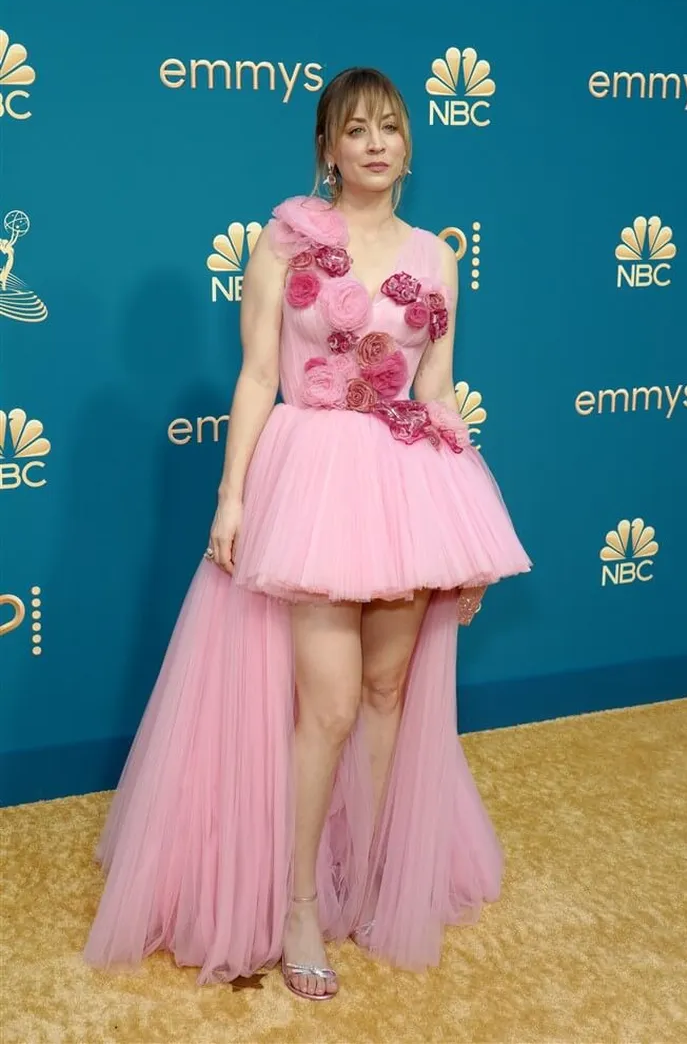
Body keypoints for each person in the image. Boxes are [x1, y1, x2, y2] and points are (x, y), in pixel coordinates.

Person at [83, 67, 532, 1001]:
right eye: (355, 129)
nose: (375, 144)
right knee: (325, 708)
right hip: (316, 485)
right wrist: (232, 498)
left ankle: (360, 876)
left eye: (390, 127)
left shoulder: (437, 256)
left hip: (408, 489)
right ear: (327, 148)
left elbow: (438, 392)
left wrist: (467, 531)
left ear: (408, 144)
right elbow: (258, 375)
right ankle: (296, 903)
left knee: (385, 693)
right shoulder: (284, 242)